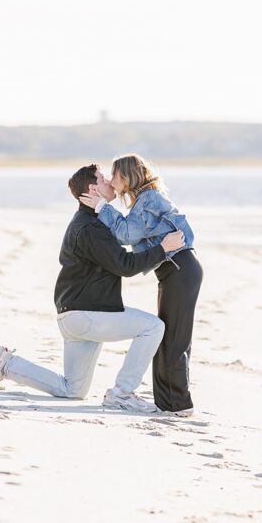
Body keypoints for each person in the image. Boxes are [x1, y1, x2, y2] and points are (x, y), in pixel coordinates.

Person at [0, 163, 186, 413]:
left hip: (75, 315)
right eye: (103, 179)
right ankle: (122, 393)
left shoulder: (89, 221)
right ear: (92, 188)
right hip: (86, 314)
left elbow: (125, 245)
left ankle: (7, 364)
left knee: (74, 389)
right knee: (153, 327)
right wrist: (163, 248)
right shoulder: (91, 228)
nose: (110, 181)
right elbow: (126, 265)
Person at [78, 153, 201, 417]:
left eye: (116, 174)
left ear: (128, 175)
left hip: (181, 269)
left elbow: (126, 234)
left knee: (176, 338)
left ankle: (180, 404)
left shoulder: (149, 198)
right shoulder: (144, 200)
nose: (112, 180)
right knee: (169, 336)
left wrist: (101, 207)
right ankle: (167, 402)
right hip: (174, 271)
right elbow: (128, 233)